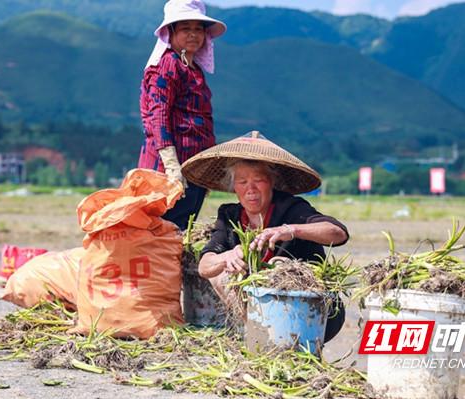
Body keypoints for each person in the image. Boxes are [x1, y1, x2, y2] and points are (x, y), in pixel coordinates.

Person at [181, 131, 349, 342]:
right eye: (242, 182)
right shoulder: (229, 216)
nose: (250, 189)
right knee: (219, 272)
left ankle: (279, 341)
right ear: (234, 188)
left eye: (258, 180)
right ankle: (259, 336)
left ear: (271, 183)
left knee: (281, 266)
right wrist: (228, 256)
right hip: (259, 316)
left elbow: (338, 233)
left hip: (313, 311)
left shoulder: (291, 208)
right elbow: (205, 267)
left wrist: (290, 230)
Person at [137, 0, 226, 230]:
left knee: (179, 232)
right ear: (171, 32)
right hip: (168, 170)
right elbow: (158, 116)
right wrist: (171, 166)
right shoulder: (167, 65)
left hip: (192, 169)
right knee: (163, 231)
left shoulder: (193, 69)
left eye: (198, 29)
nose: (194, 34)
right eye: (186, 28)